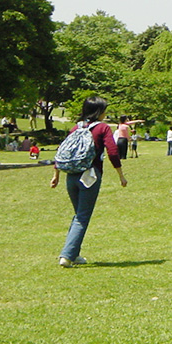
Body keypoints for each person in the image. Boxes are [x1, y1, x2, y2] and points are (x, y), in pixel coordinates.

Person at [50, 96, 127, 267]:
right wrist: (121, 175)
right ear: (99, 111)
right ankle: (67, 256)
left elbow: (62, 151)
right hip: (90, 176)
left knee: (79, 215)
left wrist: (56, 175)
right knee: (82, 216)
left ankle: (74, 254)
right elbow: (113, 151)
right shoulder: (102, 128)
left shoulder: (75, 128)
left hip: (71, 176)